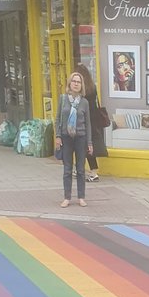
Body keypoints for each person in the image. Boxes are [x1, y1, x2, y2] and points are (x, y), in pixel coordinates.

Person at [55, 71, 92, 208]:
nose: (76, 84)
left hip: (80, 138)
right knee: (67, 169)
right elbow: (58, 119)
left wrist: (89, 142)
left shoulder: (84, 103)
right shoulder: (63, 99)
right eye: (74, 81)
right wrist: (58, 136)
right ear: (69, 83)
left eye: (79, 82)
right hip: (66, 137)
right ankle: (67, 197)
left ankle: (81, 197)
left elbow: (88, 123)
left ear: (81, 85)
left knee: (81, 169)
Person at [73, 63, 107, 182]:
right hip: (94, 120)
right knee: (89, 146)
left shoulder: (81, 90)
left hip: (83, 121)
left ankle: (89, 171)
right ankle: (90, 171)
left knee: (82, 145)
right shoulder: (92, 87)